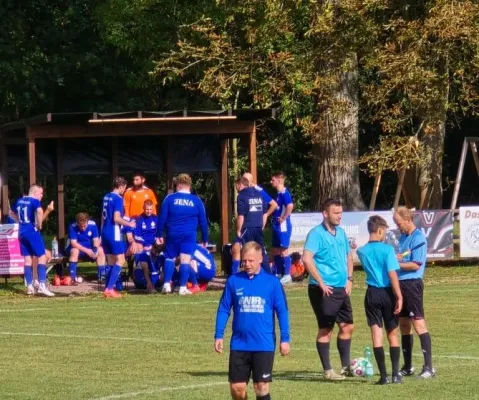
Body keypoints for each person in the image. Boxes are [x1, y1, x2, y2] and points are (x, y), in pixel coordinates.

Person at [215, 241, 290, 400]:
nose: (247, 264)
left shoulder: (272, 283)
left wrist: (285, 339)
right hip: (239, 343)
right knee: (237, 388)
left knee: (261, 387)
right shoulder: (234, 281)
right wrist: (219, 335)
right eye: (244, 260)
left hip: (263, 343)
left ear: (260, 259)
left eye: (251, 260)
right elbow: (223, 309)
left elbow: (282, 312)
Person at [302, 198, 354, 380]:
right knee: (326, 328)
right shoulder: (316, 234)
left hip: (342, 288)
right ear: (325, 213)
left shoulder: (341, 233)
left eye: (341, 213)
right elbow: (307, 259)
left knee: (348, 326)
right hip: (323, 289)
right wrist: (321, 282)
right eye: (336, 213)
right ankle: (328, 371)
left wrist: (350, 279)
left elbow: (349, 256)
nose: (340, 216)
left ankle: (346, 367)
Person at [357, 215, 403, 385]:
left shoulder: (361, 251)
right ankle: (395, 374)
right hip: (387, 293)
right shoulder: (387, 250)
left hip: (371, 294)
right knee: (392, 332)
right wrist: (399, 296)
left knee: (376, 333)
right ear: (380, 230)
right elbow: (392, 274)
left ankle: (383, 376)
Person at [393, 206, 435, 379]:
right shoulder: (403, 238)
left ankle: (429, 368)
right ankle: (408, 366)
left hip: (412, 284)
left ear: (408, 219)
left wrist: (394, 265)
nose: (397, 226)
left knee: (418, 323)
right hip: (400, 284)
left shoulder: (418, 238)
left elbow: (416, 264)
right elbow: (402, 257)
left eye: (399, 223)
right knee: (403, 324)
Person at [155, 173, 208, 295]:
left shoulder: (170, 198)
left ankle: (167, 285)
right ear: (189, 185)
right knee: (185, 259)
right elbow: (203, 222)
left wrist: (158, 234)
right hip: (189, 235)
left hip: (173, 233)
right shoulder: (196, 200)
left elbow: (162, 218)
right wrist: (205, 238)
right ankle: (183, 287)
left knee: (170, 257)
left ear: (178, 185)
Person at [10, 184, 54, 296]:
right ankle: (42, 285)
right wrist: (39, 225)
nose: (42, 195)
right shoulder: (34, 201)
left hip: (21, 232)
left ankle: (29, 286)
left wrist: (19, 222)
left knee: (27, 259)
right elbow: (39, 211)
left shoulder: (19, 200)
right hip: (32, 231)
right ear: (34, 192)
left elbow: (11, 212)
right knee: (42, 256)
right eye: (41, 193)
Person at [101, 176, 136, 298]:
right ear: (121, 186)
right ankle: (110, 288)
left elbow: (103, 216)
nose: (124, 191)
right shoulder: (118, 199)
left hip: (105, 232)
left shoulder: (106, 197)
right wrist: (129, 223)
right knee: (121, 260)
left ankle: (107, 288)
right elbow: (116, 218)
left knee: (110, 261)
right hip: (114, 233)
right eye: (124, 188)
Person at [231, 178, 270, 275]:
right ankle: (268, 274)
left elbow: (241, 216)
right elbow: (264, 213)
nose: (236, 188)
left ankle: (236, 275)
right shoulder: (260, 194)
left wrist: (239, 230)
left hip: (247, 227)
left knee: (245, 250)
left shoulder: (241, 196)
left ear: (240, 184)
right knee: (260, 250)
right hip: (258, 227)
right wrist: (262, 225)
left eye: (236, 186)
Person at [66, 212, 106, 285]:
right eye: (81, 226)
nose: (83, 228)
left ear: (87, 221)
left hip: (90, 247)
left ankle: (101, 276)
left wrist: (95, 249)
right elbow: (73, 243)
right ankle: (72, 278)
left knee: (100, 250)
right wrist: (87, 251)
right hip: (77, 247)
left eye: (84, 226)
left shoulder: (92, 225)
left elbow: (96, 239)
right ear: (77, 223)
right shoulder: (72, 226)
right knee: (74, 251)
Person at [270, 171, 294, 285]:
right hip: (276, 225)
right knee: (275, 249)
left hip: (282, 226)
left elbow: (290, 205)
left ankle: (287, 275)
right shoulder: (278, 194)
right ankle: (278, 273)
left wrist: (284, 217)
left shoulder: (285, 193)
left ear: (279, 180)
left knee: (284, 249)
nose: (271, 182)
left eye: (273, 180)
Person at [130, 200, 158, 293]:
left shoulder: (156, 219)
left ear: (153, 209)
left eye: (150, 209)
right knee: (143, 255)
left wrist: (154, 244)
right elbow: (137, 235)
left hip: (155, 246)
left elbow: (159, 234)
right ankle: (146, 282)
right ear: (143, 208)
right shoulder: (139, 219)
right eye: (147, 209)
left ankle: (164, 281)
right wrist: (145, 244)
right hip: (143, 245)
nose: (149, 211)